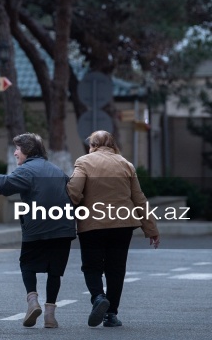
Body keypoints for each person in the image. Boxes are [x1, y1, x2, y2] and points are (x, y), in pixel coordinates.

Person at [0, 133, 76, 328]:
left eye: (18, 149)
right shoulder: (57, 171)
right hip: (63, 228)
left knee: (27, 264)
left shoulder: (27, 170)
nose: (15, 153)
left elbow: (5, 185)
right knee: (55, 271)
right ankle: (50, 316)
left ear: (28, 151)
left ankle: (32, 301)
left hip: (36, 227)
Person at [67, 130, 160, 328]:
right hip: (122, 225)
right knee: (116, 269)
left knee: (91, 266)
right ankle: (111, 314)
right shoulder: (126, 164)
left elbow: (74, 191)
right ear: (112, 145)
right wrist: (151, 228)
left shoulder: (84, 162)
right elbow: (139, 199)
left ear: (93, 145)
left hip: (92, 225)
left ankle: (98, 297)